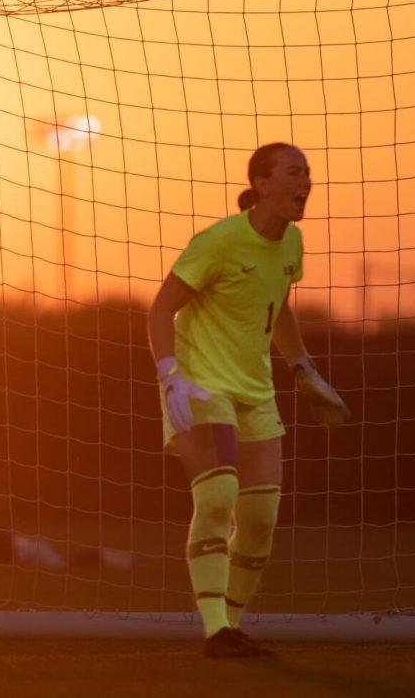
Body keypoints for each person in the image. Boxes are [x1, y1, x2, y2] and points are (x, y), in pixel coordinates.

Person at [147, 142, 349, 658]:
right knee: (216, 500)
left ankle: (231, 629)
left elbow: (278, 307)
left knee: (259, 520)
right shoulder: (217, 242)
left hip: (256, 393)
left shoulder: (292, 244)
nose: (304, 182)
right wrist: (170, 375)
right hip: (201, 386)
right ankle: (215, 629)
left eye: (308, 173)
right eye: (292, 172)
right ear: (260, 184)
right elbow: (160, 308)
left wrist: (303, 369)